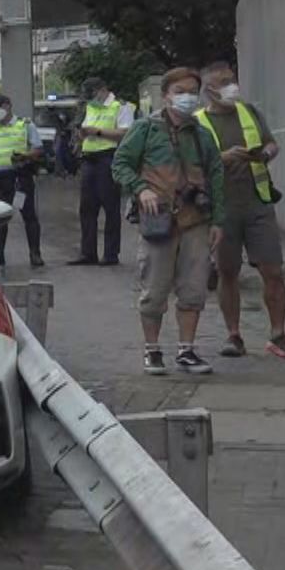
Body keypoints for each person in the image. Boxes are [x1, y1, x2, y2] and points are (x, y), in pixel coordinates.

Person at [113, 67, 226, 376]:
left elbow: (216, 176)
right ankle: (152, 351)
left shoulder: (202, 135)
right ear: (165, 95)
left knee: (194, 289)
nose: (187, 97)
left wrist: (219, 220)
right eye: (180, 91)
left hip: (195, 222)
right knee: (154, 290)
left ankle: (186, 351)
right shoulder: (145, 129)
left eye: (192, 91)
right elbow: (120, 165)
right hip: (158, 221)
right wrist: (141, 189)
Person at [196, 64, 285, 359]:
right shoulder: (199, 122)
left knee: (273, 270)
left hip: (257, 203)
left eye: (233, 81)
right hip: (221, 209)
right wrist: (222, 159)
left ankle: (278, 334)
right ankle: (233, 335)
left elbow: (271, 143)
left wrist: (265, 154)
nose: (232, 87)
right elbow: (190, 165)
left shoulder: (248, 112)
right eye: (224, 83)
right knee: (227, 272)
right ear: (209, 90)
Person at [72, 77, 135, 266]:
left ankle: (110, 254)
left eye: (92, 95)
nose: (90, 99)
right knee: (87, 208)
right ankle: (88, 253)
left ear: (102, 89)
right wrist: (82, 134)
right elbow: (85, 131)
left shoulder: (121, 106)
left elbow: (126, 133)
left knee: (110, 207)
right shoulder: (91, 107)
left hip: (109, 158)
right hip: (89, 159)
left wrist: (97, 132)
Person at [0, 93, 44, 268]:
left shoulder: (25, 125)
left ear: (8, 106)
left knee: (29, 215)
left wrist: (25, 155)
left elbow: (38, 149)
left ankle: (35, 253)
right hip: (0, 178)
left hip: (20, 176)